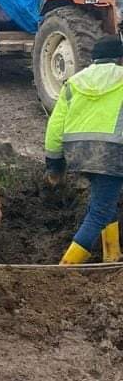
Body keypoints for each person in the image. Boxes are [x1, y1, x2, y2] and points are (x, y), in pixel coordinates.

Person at [45, 36, 123, 263]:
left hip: (78, 154)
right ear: (119, 58)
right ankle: (65, 268)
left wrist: (54, 162)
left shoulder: (74, 82)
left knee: (102, 202)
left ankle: (112, 254)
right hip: (112, 154)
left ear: (93, 59)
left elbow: (55, 126)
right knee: (99, 211)